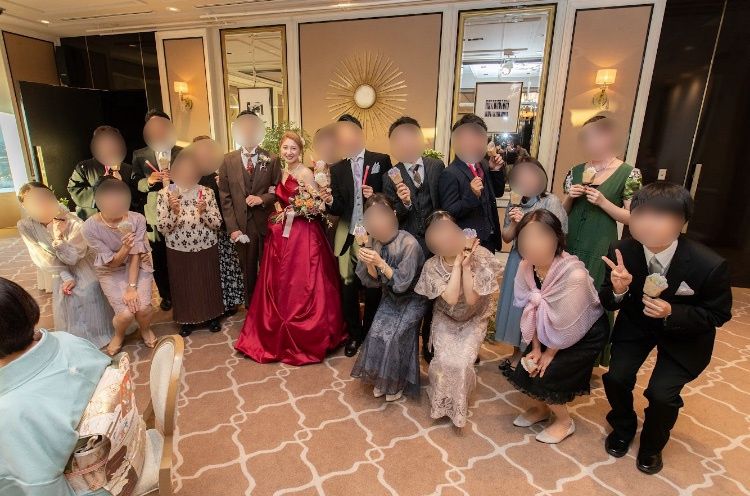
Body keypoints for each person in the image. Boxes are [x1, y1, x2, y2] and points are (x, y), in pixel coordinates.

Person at [599, 182, 731, 474]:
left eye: (659, 216)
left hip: (685, 334)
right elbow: (607, 300)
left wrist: (673, 311)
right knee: (617, 377)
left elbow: (719, 313)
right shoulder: (621, 250)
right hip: (636, 324)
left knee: (662, 394)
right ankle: (623, 427)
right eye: (640, 214)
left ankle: (652, 445)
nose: (647, 223)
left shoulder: (709, 264)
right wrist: (618, 290)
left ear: (682, 222)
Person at [235, 131, 346, 365]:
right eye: (285, 148)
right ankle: (274, 330)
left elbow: (318, 205)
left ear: (300, 150)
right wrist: (282, 211)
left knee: (302, 280)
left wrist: (300, 209)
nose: (289, 152)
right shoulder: (280, 171)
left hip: (304, 234)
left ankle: (307, 334)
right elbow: (277, 199)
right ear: (280, 150)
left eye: (293, 148)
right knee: (278, 281)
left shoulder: (306, 173)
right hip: (281, 234)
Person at [502, 209, 608, 444]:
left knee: (548, 373)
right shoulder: (526, 266)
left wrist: (549, 354)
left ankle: (564, 422)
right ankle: (541, 410)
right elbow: (531, 308)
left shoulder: (574, 275)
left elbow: (566, 324)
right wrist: (536, 348)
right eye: (526, 237)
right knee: (526, 366)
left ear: (557, 239)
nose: (532, 244)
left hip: (583, 332)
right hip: (547, 325)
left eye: (541, 236)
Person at [0, 277, 111, 496]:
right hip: (119, 451)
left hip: (93, 488)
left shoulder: (10, 411)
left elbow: (43, 487)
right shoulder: (67, 340)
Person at [415, 211, 501, 427]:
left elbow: (471, 300)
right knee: (444, 361)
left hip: (474, 318)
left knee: (461, 364)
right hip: (446, 317)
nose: (446, 237)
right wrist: (457, 263)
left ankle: (457, 407)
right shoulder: (432, 266)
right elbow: (452, 298)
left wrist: (466, 265)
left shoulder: (481, 256)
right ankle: (441, 400)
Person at [324, 114, 393, 357]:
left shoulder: (380, 160)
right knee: (348, 285)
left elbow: (390, 198)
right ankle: (354, 334)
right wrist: (329, 199)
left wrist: (375, 195)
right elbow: (337, 208)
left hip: (373, 234)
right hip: (347, 234)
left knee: (374, 285)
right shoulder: (338, 168)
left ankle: (370, 332)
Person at [17, 182, 114, 348]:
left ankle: (100, 333)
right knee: (66, 300)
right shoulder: (26, 226)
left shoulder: (73, 222)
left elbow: (73, 258)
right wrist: (65, 276)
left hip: (83, 265)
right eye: (35, 202)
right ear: (25, 207)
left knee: (89, 290)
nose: (43, 205)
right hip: (60, 271)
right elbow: (42, 257)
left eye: (47, 198)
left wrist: (58, 238)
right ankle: (75, 339)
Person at [350, 194, 428, 401]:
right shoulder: (372, 241)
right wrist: (369, 262)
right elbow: (373, 282)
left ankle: (397, 383)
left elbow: (402, 284)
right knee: (377, 332)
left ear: (393, 215)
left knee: (395, 336)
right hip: (390, 297)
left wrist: (380, 263)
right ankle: (383, 379)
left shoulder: (409, 243)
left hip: (413, 298)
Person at [382, 116, 445, 362]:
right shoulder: (390, 176)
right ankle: (406, 348)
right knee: (411, 297)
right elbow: (392, 218)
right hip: (409, 247)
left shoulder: (436, 166)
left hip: (436, 244)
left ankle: (429, 345)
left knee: (435, 297)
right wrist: (405, 202)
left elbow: (443, 203)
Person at [495, 158, 568, 371]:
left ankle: (530, 353)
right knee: (516, 306)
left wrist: (527, 222)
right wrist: (515, 222)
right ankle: (516, 353)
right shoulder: (514, 201)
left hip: (540, 262)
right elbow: (507, 237)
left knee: (534, 307)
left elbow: (560, 234)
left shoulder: (550, 201)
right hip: (517, 259)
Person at [562, 114, 642, 291]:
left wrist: (603, 202)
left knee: (593, 289)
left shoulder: (629, 173)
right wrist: (569, 197)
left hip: (600, 243)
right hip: (570, 239)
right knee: (564, 289)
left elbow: (633, 217)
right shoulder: (575, 171)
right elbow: (562, 212)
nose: (589, 142)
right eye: (585, 137)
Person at [82, 177, 157, 356]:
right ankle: (119, 335)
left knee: (143, 308)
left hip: (137, 265)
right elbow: (112, 262)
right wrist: (125, 247)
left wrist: (132, 287)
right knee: (125, 314)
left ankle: (145, 329)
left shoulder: (137, 219)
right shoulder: (89, 227)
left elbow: (136, 255)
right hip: (110, 270)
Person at [157, 148, 224, 337]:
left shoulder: (206, 192)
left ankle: (212, 316)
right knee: (183, 285)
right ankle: (186, 320)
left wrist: (204, 212)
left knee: (207, 282)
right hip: (177, 248)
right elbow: (162, 227)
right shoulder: (166, 194)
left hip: (206, 245)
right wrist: (174, 212)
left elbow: (217, 223)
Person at [218, 110, 281, 301]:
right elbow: (225, 197)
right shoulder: (226, 160)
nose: (248, 131)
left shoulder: (271, 158)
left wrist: (263, 198)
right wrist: (233, 228)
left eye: (251, 126)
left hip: (265, 222)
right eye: (243, 127)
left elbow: (278, 190)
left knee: (269, 265)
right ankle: (250, 303)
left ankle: (269, 301)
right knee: (247, 267)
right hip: (241, 224)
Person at [131, 110, 183, 311]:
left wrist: (179, 177)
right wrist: (149, 181)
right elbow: (135, 183)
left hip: (180, 211)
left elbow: (193, 177)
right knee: (160, 258)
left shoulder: (182, 152)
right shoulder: (140, 155)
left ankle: (184, 292)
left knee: (181, 255)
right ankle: (166, 295)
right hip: (155, 215)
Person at [193, 136, 245, 315]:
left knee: (226, 265)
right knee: (208, 269)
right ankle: (211, 302)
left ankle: (230, 302)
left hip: (222, 225)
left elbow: (235, 196)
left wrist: (225, 184)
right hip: (201, 229)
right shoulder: (192, 173)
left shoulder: (221, 167)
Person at [439, 114, 506, 252]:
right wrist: (472, 195)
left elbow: (498, 193)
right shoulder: (450, 173)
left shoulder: (485, 164)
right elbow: (449, 213)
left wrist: (495, 170)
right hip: (467, 244)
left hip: (489, 239)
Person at [67, 126, 136, 220]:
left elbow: (136, 194)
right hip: (93, 219)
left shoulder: (128, 168)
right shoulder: (84, 167)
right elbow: (74, 189)